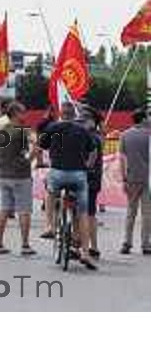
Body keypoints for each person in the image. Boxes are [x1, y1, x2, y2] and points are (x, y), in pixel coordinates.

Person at [38, 101, 97, 270]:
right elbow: (93, 151)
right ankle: (85, 252)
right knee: (83, 214)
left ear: (61, 114)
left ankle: (49, 225)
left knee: (50, 192)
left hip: (57, 172)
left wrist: (44, 159)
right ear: (75, 115)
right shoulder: (82, 130)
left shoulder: (52, 128)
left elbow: (41, 146)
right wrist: (88, 166)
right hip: (79, 174)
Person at [0, 101, 36, 255]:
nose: (25, 115)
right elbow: (35, 142)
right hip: (20, 175)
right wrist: (31, 158)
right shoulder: (22, 131)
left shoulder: (2, 130)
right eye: (22, 112)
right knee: (24, 210)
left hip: (3, 173)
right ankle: (25, 245)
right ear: (16, 114)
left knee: (3, 209)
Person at [119, 108, 151, 255]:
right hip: (148, 179)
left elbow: (122, 159)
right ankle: (145, 244)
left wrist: (123, 178)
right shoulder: (149, 135)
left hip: (131, 178)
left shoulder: (124, 135)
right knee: (147, 214)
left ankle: (127, 242)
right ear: (143, 119)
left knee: (131, 212)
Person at [80, 106, 104, 259]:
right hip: (94, 178)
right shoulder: (98, 136)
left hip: (84, 177)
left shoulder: (88, 136)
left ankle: (82, 246)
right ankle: (93, 246)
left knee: (82, 214)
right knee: (91, 213)